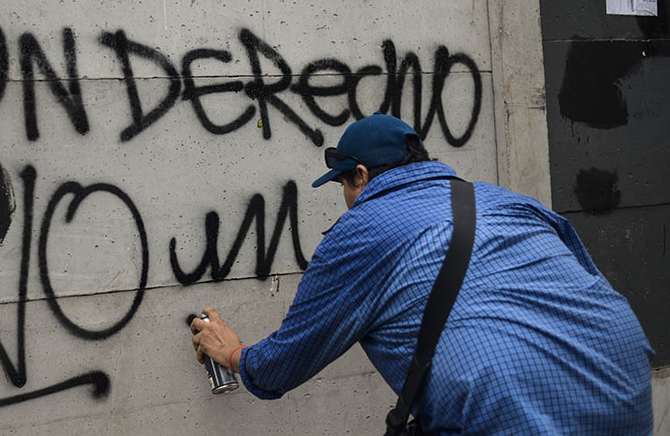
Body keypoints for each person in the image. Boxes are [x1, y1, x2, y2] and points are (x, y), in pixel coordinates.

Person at [191, 112, 654, 435]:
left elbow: (283, 365)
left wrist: (234, 353)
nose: (346, 201)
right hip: (623, 385)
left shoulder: (359, 230)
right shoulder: (510, 202)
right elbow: (589, 280)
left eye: (343, 187)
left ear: (361, 175)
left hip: (507, 409)